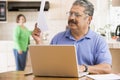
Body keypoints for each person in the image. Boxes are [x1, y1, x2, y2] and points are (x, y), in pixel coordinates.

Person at [32, 0, 112, 74]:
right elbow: (46, 65)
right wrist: (39, 42)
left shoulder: (99, 41)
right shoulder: (57, 38)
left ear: (89, 19)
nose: (71, 18)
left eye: (77, 15)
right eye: (70, 14)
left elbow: (106, 68)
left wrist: (84, 68)